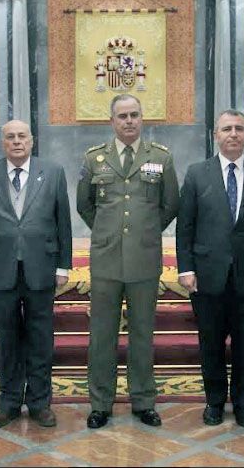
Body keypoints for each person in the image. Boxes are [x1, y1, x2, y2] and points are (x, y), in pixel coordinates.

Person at [176, 109, 244, 428]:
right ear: (216, 135)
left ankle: (243, 403)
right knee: (209, 343)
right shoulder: (197, 173)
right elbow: (186, 227)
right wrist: (186, 267)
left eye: (239, 128)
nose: (233, 134)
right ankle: (213, 402)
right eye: (227, 129)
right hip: (207, 276)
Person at [77, 94, 179, 429]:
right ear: (112, 121)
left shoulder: (161, 158)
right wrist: (109, 233)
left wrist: (143, 233)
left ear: (142, 118)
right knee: (101, 335)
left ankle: (144, 401)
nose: (129, 121)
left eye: (135, 114)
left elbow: (169, 206)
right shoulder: (95, 159)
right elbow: (85, 205)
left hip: (144, 260)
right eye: (122, 116)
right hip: (106, 260)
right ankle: (100, 403)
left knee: (142, 334)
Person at [0, 120, 72, 429]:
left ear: (32, 140)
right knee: (7, 337)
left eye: (22, 136)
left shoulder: (52, 172)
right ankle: (9, 402)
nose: (17, 141)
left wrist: (62, 265)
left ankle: (40, 402)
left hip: (41, 267)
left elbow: (63, 222)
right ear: (3, 142)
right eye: (10, 137)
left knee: (41, 337)